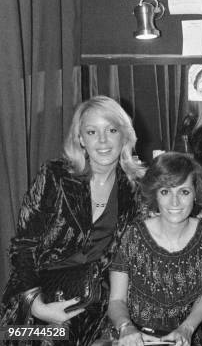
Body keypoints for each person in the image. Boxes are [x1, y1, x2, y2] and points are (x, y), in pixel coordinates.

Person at [0, 95, 144, 345]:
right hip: (35, 303)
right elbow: (23, 245)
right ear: (80, 139)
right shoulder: (55, 176)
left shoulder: (134, 189)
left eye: (111, 130)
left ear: (124, 136)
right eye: (91, 131)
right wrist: (36, 305)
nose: (102, 140)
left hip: (93, 306)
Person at [107, 151, 202, 346]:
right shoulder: (132, 235)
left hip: (185, 336)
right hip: (134, 337)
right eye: (165, 192)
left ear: (196, 194)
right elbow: (116, 300)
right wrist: (126, 327)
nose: (175, 202)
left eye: (184, 192)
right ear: (155, 194)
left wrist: (187, 328)